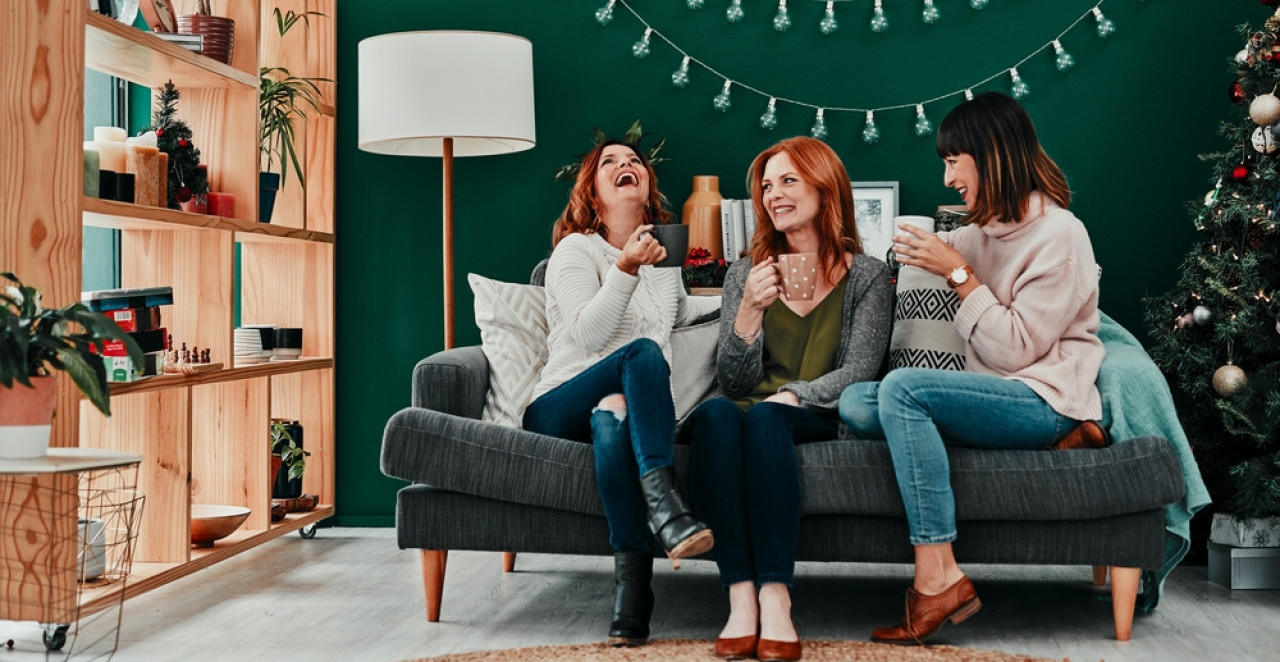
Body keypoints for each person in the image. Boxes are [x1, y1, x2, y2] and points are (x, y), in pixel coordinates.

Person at [838, 91, 1107, 645]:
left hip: (1041, 398)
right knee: (856, 402)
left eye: (952, 162)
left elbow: (1015, 351)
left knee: (904, 392)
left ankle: (938, 575)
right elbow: (915, 258)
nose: (945, 179)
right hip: (989, 398)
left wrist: (959, 274)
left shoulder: (1062, 235)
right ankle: (969, 448)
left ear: (989, 155)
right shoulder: (981, 231)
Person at [683, 136, 895, 662]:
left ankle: (776, 597)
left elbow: (860, 371)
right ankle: (740, 596)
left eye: (788, 181)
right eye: (767, 185)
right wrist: (749, 313)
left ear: (825, 189)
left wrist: (794, 397)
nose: (773, 194)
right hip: (747, 409)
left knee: (766, 422)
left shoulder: (867, 276)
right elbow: (733, 384)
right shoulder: (744, 273)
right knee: (713, 415)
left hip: (814, 414)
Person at [522, 138, 722, 647]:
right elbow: (588, 333)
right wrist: (627, 268)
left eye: (634, 161)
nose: (625, 165)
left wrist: (742, 296)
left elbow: (679, 317)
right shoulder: (576, 249)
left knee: (613, 417)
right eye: (609, 162)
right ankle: (667, 507)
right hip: (558, 405)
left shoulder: (663, 258)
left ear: (648, 185)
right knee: (641, 355)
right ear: (591, 191)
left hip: (617, 409)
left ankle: (633, 594)